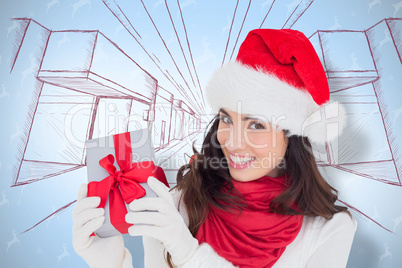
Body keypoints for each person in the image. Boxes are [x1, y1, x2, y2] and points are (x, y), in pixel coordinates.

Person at [72, 29, 357, 268]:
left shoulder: (329, 231)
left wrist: (190, 254)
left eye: (256, 125)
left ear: (291, 137)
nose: (232, 142)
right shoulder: (176, 206)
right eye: (226, 119)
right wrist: (111, 263)